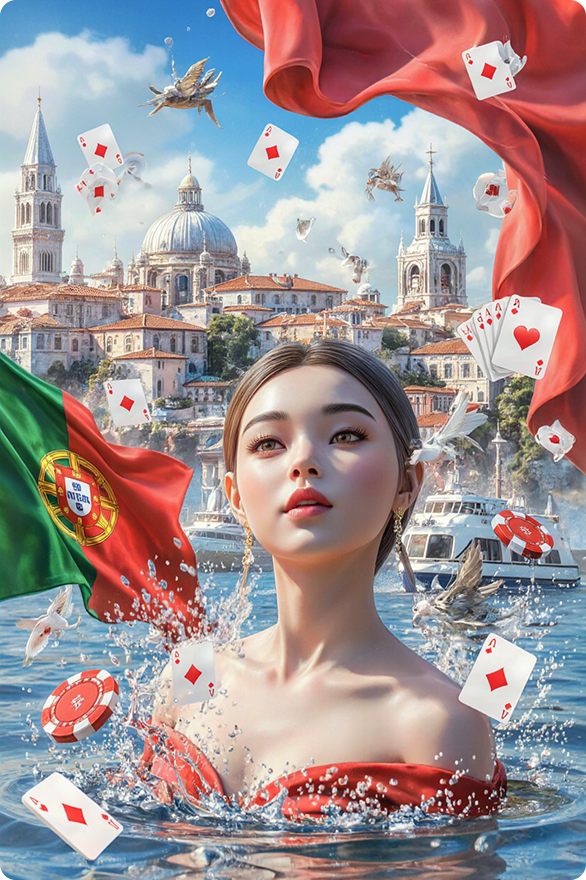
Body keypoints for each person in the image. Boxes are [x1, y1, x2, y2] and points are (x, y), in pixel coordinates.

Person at [145, 340, 506, 819]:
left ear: (408, 481)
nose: (303, 462)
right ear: (234, 495)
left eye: (345, 436)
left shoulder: (438, 721)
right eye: (268, 443)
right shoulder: (190, 674)